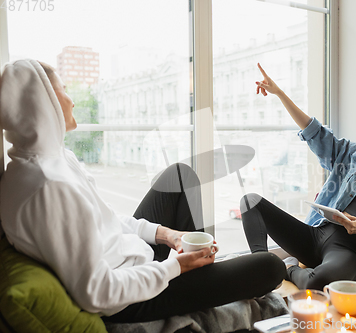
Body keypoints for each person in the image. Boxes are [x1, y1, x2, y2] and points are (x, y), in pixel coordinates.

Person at [0, 59, 285, 323]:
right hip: (128, 297)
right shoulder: (50, 187)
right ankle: (196, 277)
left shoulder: (52, 159)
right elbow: (98, 294)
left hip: (134, 260)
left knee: (180, 175)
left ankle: (198, 272)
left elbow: (107, 218)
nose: (72, 100)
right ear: (44, 103)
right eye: (63, 90)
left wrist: (165, 234)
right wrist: (175, 268)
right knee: (271, 267)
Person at [241, 63, 356, 290]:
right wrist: (280, 94)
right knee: (250, 202)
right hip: (317, 235)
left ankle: (287, 268)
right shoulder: (353, 155)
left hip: (354, 252)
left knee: (317, 282)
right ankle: (261, 268)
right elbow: (315, 133)